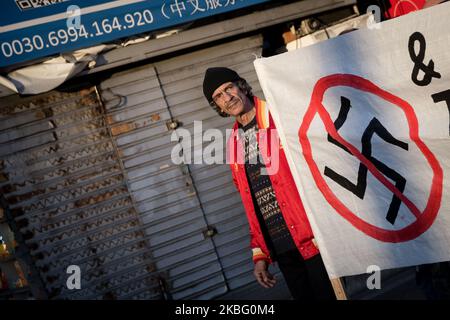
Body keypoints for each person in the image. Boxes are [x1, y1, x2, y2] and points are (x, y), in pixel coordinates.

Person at [202, 67, 336, 300]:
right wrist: (260, 254)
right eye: (219, 96)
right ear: (218, 106)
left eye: (228, 88)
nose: (227, 98)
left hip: (313, 239)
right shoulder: (233, 144)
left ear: (241, 86)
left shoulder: (280, 117)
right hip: (281, 248)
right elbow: (252, 205)